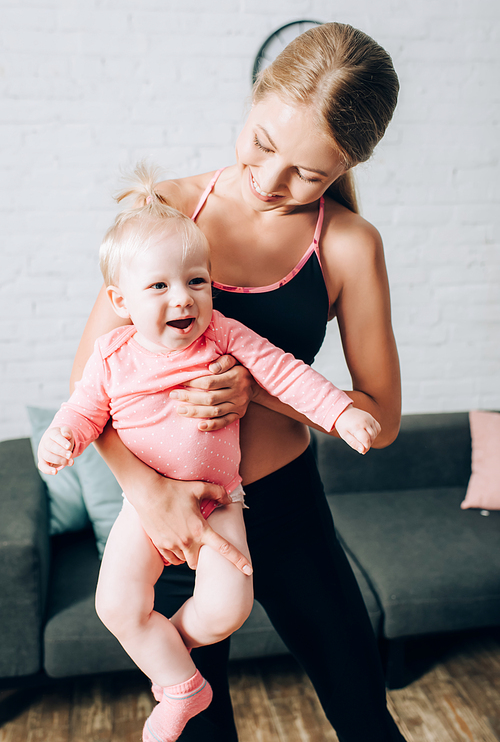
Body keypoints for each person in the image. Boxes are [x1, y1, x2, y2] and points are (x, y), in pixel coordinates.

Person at [71, 21, 404, 742]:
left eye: (309, 174)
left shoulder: (347, 244)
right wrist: (151, 495)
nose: (271, 180)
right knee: (199, 722)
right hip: (170, 508)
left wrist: (261, 391)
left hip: (286, 508)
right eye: (262, 143)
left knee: (361, 707)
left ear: (349, 163)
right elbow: (87, 385)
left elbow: (383, 415)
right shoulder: (165, 208)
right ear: (254, 100)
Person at [38, 175, 381, 742]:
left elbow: (286, 373)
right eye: (160, 286)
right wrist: (63, 439)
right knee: (116, 606)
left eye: (197, 281)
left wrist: (341, 415)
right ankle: (182, 687)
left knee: (228, 610)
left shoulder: (223, 332)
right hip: (147, 512)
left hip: (226, 501)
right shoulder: (113, 353)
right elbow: (84, 407)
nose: (183, 297)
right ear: (120, 301)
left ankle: (172, 660)